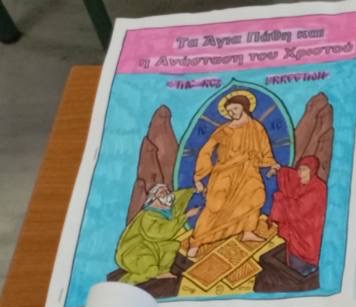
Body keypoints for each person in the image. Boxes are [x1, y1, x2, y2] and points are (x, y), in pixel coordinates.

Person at [186, 91, 278, 259]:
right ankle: (196, 242)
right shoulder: (225, 130)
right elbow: (206, 151)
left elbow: (265, 148)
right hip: (225, 174)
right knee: (215, 207)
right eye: (229, 111)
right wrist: (199, 177)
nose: (232, 113)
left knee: (254, 198)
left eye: (235, 108)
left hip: (248, 171)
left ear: (244, 107)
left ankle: (248, 231)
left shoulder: (256, 127)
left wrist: (271, 163)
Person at [115, 183, 194, 284]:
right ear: (153, 198)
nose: (167, 194)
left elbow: (178, 197)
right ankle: (125, 283)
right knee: (150, 269)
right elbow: (160, 234)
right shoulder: (147, 215)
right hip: (133, 251)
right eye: (162, 192)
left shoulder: (164, 211)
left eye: (167, 191)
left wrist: (192, 190)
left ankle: (162, 272)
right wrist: (185, 216)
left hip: (152, 246)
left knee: (173, 246)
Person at [269, 154, 327, 272]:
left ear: (312, 170)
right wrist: (278, 170)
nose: (300, 172)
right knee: (292, 263)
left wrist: (280, 198)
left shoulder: (318, 188)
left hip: (307, 237)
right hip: (296, 235)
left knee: (299, 269)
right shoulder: (301, 182)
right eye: (299, 168)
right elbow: (290, 177)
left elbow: (299, 210)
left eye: (304, 169)